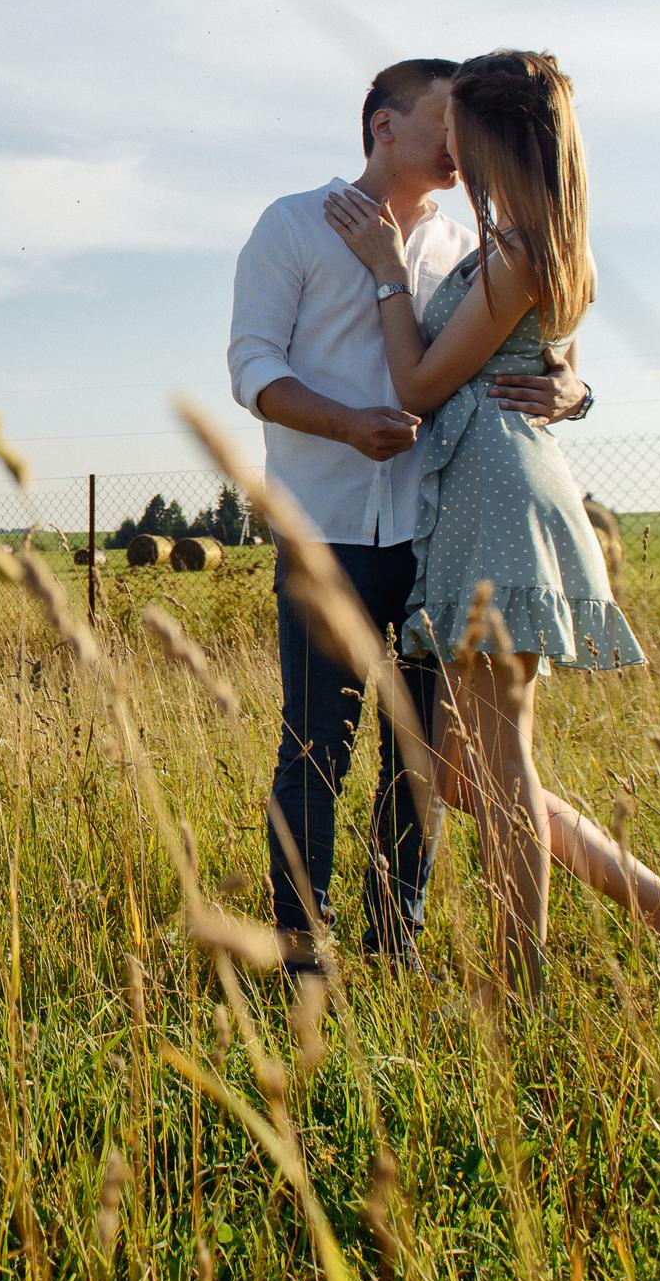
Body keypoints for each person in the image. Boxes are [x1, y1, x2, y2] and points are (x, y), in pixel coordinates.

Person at [323, 49, 660, 999]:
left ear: (499, 141)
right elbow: (540, 370)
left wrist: (391, 274)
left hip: (496, 498)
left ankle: (519, 983)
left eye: (463, 134)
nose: (452, 149)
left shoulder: (516, 249)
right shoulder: (540, 243)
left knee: (499, 759)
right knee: (459, 769)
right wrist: (577, 389)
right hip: (498, 489)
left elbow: (420, 385)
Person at [229, 58, 589, 975]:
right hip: (329, 524)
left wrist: (574, 391)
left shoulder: (468, 239)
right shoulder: (292, 224)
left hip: (440, 527)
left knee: (419, 760)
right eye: (441, 122)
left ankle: (396, 947)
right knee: (315, 746)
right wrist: (347, 423)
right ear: (384, 125)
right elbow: (251, 370)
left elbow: (530, 342)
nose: (456, 143)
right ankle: (302, 951)